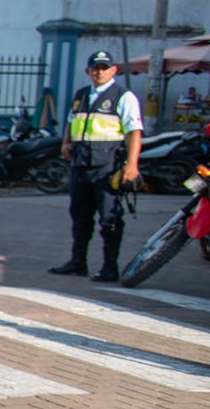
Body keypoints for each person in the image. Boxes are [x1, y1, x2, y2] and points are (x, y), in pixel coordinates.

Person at [50, 50, 142, 282]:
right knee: (80, 216)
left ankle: (110, 267)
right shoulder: (81, 95)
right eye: (95, 68)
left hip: (107, 168)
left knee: (109, 218)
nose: (99, 72)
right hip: (80, 166)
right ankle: (77, 262)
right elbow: (72, 121)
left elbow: (134, 132)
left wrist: (132, 164)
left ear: (113, 70)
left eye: (104, 67)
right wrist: (66, 142)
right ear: (88, 71)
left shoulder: (124, 96)